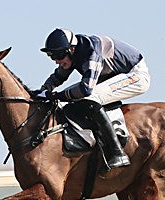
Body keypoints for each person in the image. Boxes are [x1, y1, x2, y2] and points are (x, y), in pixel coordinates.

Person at [36, 28, 150, 169]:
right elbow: (58, 76)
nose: (56, 61)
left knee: (90, 98)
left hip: (135, 76)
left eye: (58, 56)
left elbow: (86, 89)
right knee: (65, 98)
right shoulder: (73, 53)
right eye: (52, 57)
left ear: (71, 50)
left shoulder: (91, 51)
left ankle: (117, 153)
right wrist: (43, 91)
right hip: (112, 77)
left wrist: (57, 95)